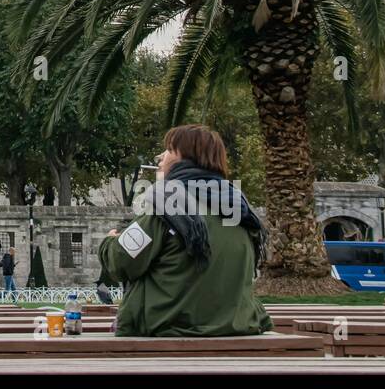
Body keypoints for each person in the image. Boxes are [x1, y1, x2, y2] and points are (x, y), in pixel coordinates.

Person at [99, 124, 272, 337]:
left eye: (169, 149)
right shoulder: (242, 211)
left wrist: (110, 241)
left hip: (169, 329)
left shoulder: (167, 206)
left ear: (186, 157)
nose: (160, 157)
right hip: (234, 330)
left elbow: (121, 262)